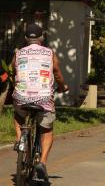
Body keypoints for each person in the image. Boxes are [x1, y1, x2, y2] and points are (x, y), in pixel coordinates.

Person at [12, 23, 68, 181]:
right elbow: (56, 73)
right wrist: (63, 86)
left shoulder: (18, 53)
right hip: (43, 98)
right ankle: (42, 163)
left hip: (21, 96)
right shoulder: (50, 53)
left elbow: (14, 70)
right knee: (47, 129)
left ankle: (19, 139)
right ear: (42, 38)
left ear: (25, 38)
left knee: (18, 115)